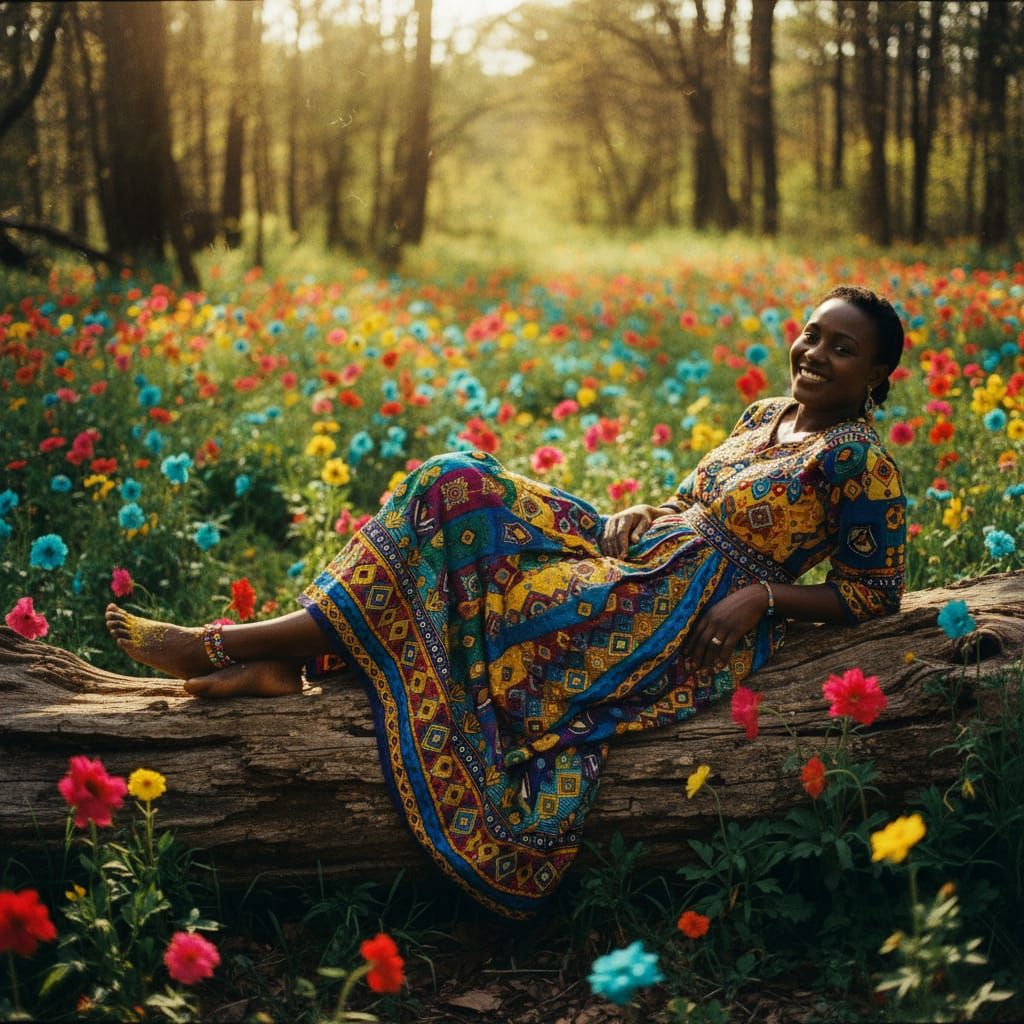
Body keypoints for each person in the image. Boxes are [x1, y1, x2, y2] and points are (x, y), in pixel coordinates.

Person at [105, 284, 907, 918]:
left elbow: (875, 592)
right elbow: (692, 500)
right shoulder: (766, 415)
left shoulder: (858, 461)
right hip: (636, 553)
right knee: (451, 483)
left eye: (843, 349)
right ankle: (275, 653)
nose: (814, 353)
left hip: (670, 616)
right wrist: (646, 511)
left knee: (508, 601)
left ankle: (239, 646)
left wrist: (764, 595)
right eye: (812, 333)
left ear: (876, 377)